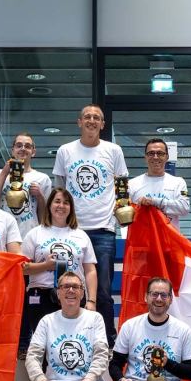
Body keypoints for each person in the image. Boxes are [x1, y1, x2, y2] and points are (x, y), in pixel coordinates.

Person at [53, 104, 129, 346]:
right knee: (67, 286)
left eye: (97, 118)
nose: (92, 121)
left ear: (103, 124)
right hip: (72, 229)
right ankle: (67, 336)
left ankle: (106, 339)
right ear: (79, 122)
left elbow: (121, 186)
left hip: (103, 229)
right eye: (87, 117)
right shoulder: (65, 151)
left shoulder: (114, 150)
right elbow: (60, 188)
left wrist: (122, 210)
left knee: (103, 290)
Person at [0, 133, 54, 358]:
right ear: (12, 149)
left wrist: (41, 198)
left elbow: (44, 216)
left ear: (34, 152)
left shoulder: (42, 179)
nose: (23, 149)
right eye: (19, 145)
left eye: (28, 146)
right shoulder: (1, 174)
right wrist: (4, 174)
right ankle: (2, 342)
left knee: (27, 299)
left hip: (28, 242)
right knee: (4, 297)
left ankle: (23, 344)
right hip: (2, 244)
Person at [20, 187, 97, 340]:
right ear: (49, 205)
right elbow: (22, 268)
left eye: (66, 203)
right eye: (57, 201)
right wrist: (45, 266)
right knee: (44, 344)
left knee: (74, 340)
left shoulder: (81, 235)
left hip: (73, 293)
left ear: (71, 208)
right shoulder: (35, 233)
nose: (61, 206)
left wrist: (91, 300)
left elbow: (90, 270)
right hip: (41, 295)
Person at [128, 138, 190, 231]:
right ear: (145, 157)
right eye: (151, 153)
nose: (155, 157)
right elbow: (124, 220)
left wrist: (154, 201)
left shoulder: (178, 182)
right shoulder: (132, 184)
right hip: (142, 242)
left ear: (167, 157)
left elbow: (184, 208)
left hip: (170, 242)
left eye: (160, 153)